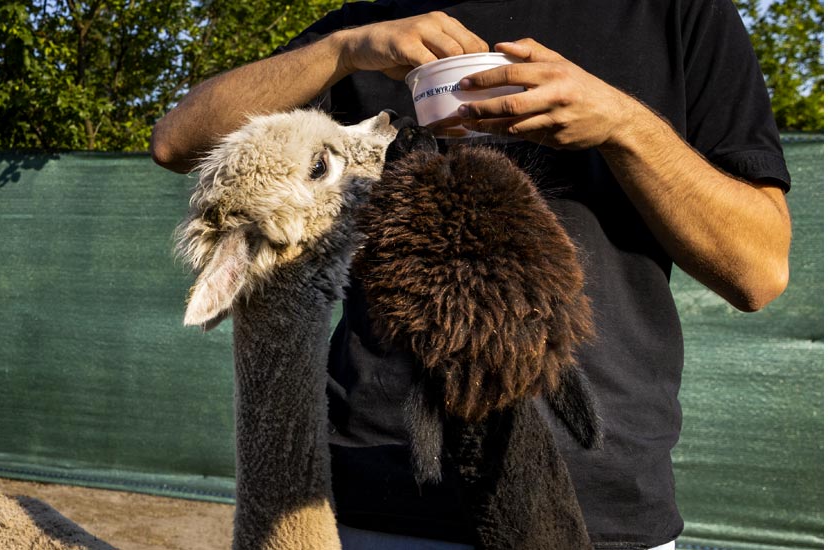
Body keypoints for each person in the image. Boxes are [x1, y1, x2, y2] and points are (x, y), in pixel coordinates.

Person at [150, 1, 793, 549]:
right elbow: (178, 143)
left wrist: (624, 126)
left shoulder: (675, 13)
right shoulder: (376, 24)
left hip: (600, 502)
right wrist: (344, 49)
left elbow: (757, 270)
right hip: (377, 498)